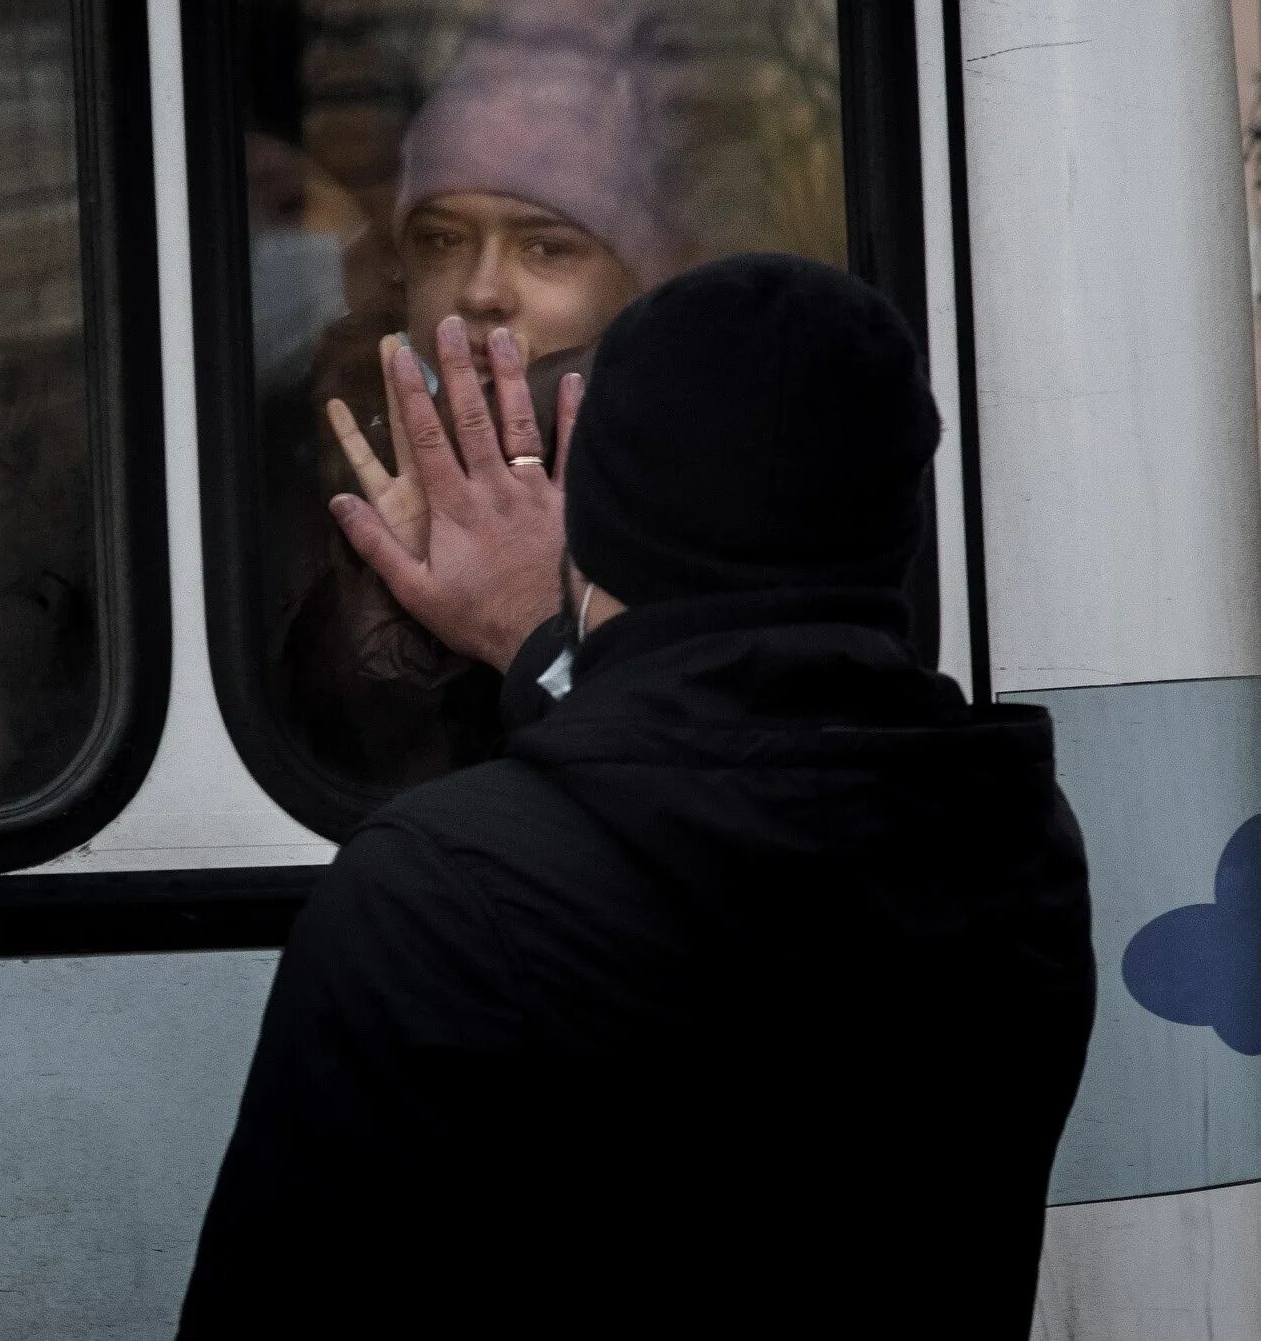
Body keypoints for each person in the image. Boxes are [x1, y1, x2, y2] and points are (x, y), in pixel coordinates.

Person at [181, 255, 1097, 1337]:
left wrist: (559, 627)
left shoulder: (434, 895)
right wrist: (544, 642)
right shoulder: (1015, 844)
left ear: (593, 523)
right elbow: (746, 787)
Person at [273, 0, 732, 786]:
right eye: (443, 242)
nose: (482, 290)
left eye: (546, 247)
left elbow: (701, 790)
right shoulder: (306, 447)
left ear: (640, 277)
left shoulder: (708, 482)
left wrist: (531, 621)